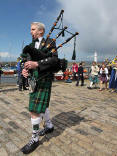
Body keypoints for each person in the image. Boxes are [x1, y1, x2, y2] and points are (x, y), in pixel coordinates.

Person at [21, 22, 59, 154]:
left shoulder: (50, 42)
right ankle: (49, 126)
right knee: (44, 105)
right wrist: (24, 70)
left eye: (32, 29)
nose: (30, 32)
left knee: (34, 110)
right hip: (33, 80)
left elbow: (55, 61)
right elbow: (25, 61)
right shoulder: (31, 45)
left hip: (44, 79)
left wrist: (37, 64)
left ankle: (35, 138)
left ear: (41, 31)